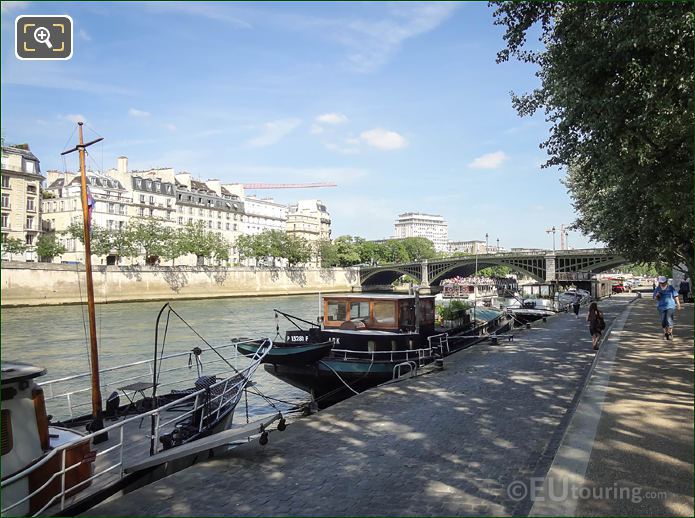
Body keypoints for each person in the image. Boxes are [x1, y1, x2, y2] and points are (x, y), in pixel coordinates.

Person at [653, 276, 682, 340]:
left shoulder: (670, 288)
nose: (662, 283)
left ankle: (670, 333)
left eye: (664, 282)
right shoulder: (657, 289)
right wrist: (657, 296)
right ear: (659, 282)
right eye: (661, 282)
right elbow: (655, 298)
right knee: (663, 321)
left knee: (669, 320)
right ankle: (665, 333)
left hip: (670, 306)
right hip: (661, 307)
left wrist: (678, 305)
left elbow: (676, 296)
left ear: (666, 282)